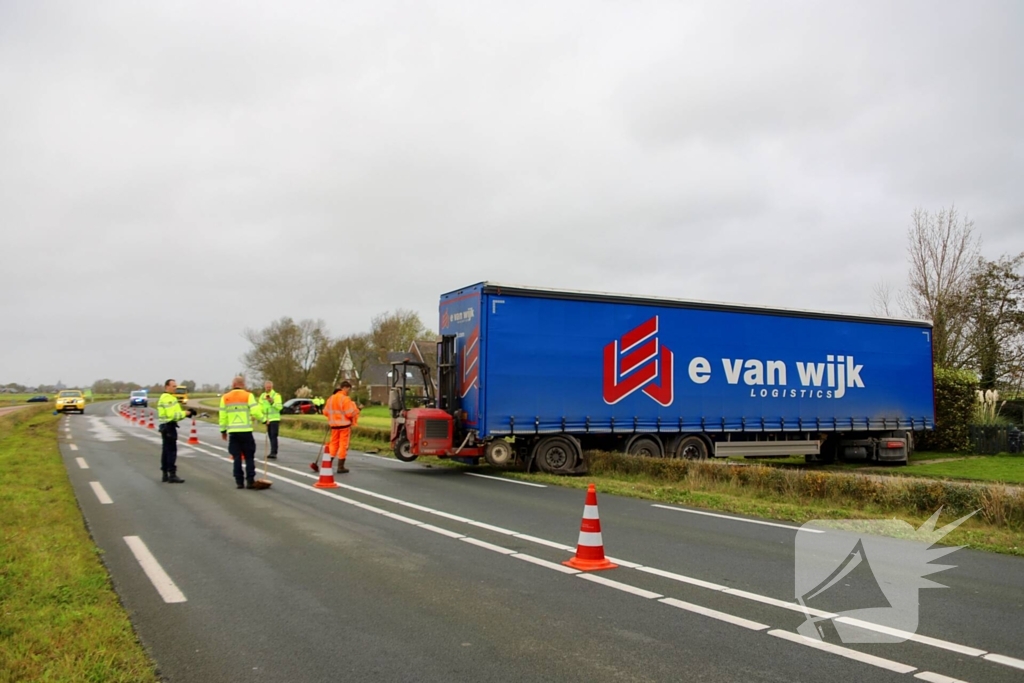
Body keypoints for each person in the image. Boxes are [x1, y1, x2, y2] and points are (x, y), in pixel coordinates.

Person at [220, 376, 266, 489]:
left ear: (233, 384)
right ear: (243, 384)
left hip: (233, 432)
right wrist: (264, 420)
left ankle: (239, 481)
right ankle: (250, 480)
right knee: (249, 457)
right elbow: (255, 411)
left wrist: (223, 430)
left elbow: (223, 416)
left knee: (236, 457)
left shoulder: (225, 397)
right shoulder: (248, 395)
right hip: (246, 432)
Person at [312, 381, 360, 474]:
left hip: (334, 426)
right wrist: (357, 410)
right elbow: (349, 413)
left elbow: (325, 412)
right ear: (345, 388)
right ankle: (340, 466)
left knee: (333, 444)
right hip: (344, 426)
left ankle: (328, 463)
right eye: (349, 389)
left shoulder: (331, 398)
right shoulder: (345, 399)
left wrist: (333, 417)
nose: (349, 391)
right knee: (343, 445)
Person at [158, 379, 196, 483]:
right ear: (167, 387)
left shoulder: (169, 397)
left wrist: (187, 413)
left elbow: (177, 413)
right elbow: (172, 415)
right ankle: (172, 474)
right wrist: (186, 413)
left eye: (176, 386)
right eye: (173, 386)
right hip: (169, 427)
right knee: (171, 451)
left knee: (166, 451)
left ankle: (165, 474)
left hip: (165, 426)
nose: (175, 388)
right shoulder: (168, 398)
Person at [258, 381, 283, 459]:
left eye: (269, 387)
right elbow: (260, 406)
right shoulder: (262, 396)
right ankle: (272, 451)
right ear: (264, 387)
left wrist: (272, 402)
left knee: (273, 435)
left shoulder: (276, 395)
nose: (268, 388)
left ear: (272, 387)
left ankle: (273, 452)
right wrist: (261, 417)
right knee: (269, 435)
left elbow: (279, 407)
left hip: (274, 418)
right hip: (267, 418)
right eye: (267, 387)